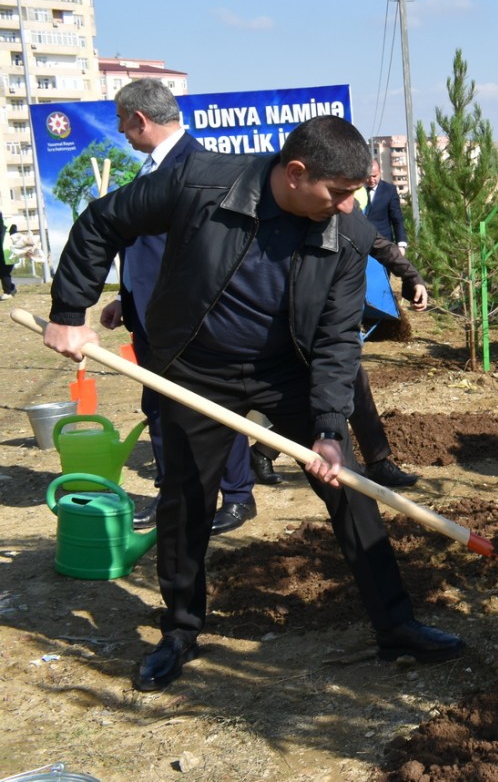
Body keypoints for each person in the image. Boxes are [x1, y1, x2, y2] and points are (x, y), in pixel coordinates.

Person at [44, 114, 463, 692]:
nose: (347, 207)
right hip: (192, 369)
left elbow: (338, 338)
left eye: (354, 194)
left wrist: (327, 429)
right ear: (295, 174)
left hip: (286, 371)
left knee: (348, 488)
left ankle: (397, 625)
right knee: (187, 501)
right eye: (338, 193)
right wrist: (69, 313)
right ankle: (180, 630)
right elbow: (102, 222)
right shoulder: (200, 183)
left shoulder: (348, 234)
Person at [98, 80, 275, 539]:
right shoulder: (151, 168)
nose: (120, 130)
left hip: (189, 320)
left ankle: (238, 496)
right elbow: (150, 246)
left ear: (140, 118)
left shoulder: (199, 167)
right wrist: (126, 297)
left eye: (122, 120)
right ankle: (172, 490)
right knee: (158, 406)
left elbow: (211, 253)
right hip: (149, 316)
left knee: (212, 405)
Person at [250, 232, 427, 489]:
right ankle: (262, 453)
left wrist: (412, 277)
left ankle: (262, 453)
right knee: (322, 392)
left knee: (351, 383)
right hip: (290, 321)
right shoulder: (294, 213)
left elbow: (381, 245)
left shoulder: (344, 216)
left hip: (329, 319)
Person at [360, 159, 407, 247]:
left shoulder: (389, 191)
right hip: (361, 244)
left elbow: (397, 218)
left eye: (374, 176)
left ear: (380, 172)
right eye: (368, 176)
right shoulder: (357, 190)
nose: (371, 180)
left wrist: (401, 243)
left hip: (383, 244)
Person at [0, 220, 16, 299]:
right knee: (4, 273)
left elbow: (16, 238)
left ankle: (8, 292)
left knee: (4, 273)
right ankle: (10, 289)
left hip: (8, 253)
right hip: (5, 253)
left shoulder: (10, 225)